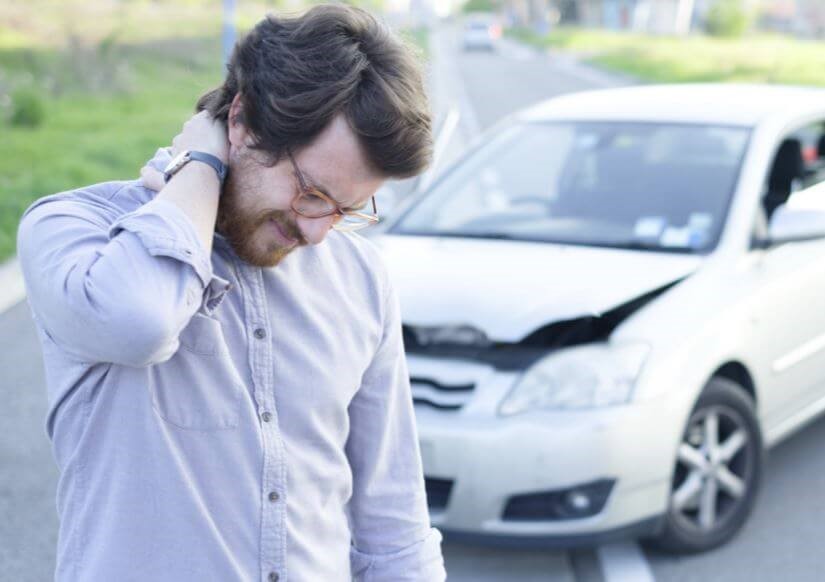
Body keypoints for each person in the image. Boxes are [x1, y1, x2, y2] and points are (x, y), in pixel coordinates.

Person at [17, 4, 445, 581]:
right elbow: (137, 323)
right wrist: (200, 165)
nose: (319, 231)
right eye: (312, 192)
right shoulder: (75, 230)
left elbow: (394, 528)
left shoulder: (361, 277)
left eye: (346, 209)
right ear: (241, 122)